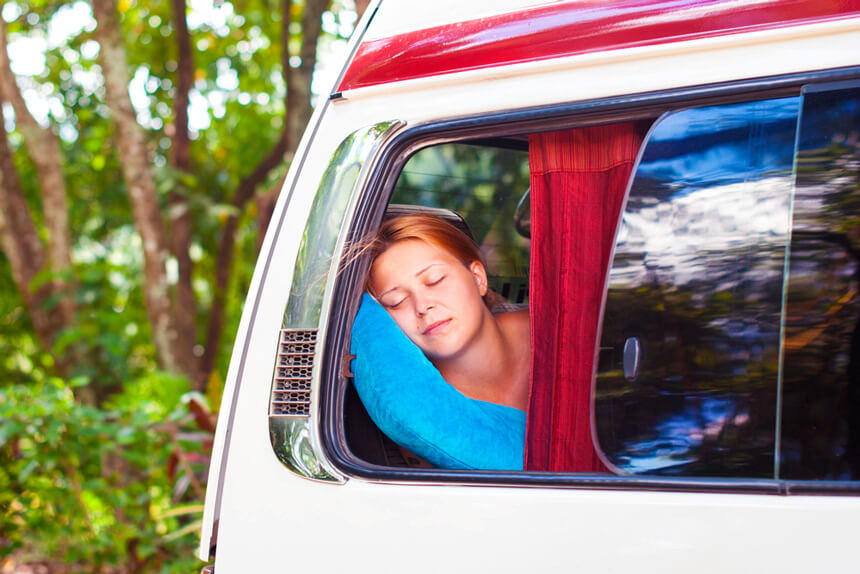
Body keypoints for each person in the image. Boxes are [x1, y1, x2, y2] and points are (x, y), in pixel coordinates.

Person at [363, 212, 530, 412]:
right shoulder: (419, 413)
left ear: (477, 278)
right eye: (396, 301)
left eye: (435, 280)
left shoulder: (560, 328)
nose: (422, 306)